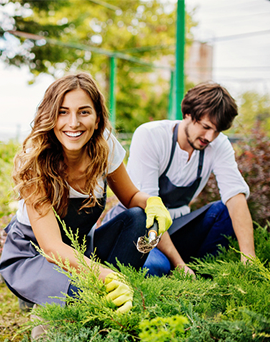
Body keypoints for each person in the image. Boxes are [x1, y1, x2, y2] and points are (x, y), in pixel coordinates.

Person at [0, 72, 172, 313]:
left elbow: (132, 198)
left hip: (81, 250)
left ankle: (118, 297)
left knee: (138, 217)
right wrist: (105, 275)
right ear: (50, 116)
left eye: (84, 111)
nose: (73, 123)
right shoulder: (35, 161)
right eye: (63, 112)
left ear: (97, 117)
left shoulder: (105, 146)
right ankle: (51, 312)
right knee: (87, 297)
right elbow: (51, 248)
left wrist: (153, 202)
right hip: (35, 253)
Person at [103, 82, 256, 277]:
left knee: (224, 211)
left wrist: (249, 258)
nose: (210, 137)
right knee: (155, 267)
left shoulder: (218, 144)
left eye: (217, 131)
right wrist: (179, 264)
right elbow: (149, 211)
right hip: (141, 227)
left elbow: (235, 196)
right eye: (206, 127)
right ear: (188, 115)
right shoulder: (151, 135)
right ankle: (177, 267)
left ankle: (204, 273)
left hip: (177, 228)